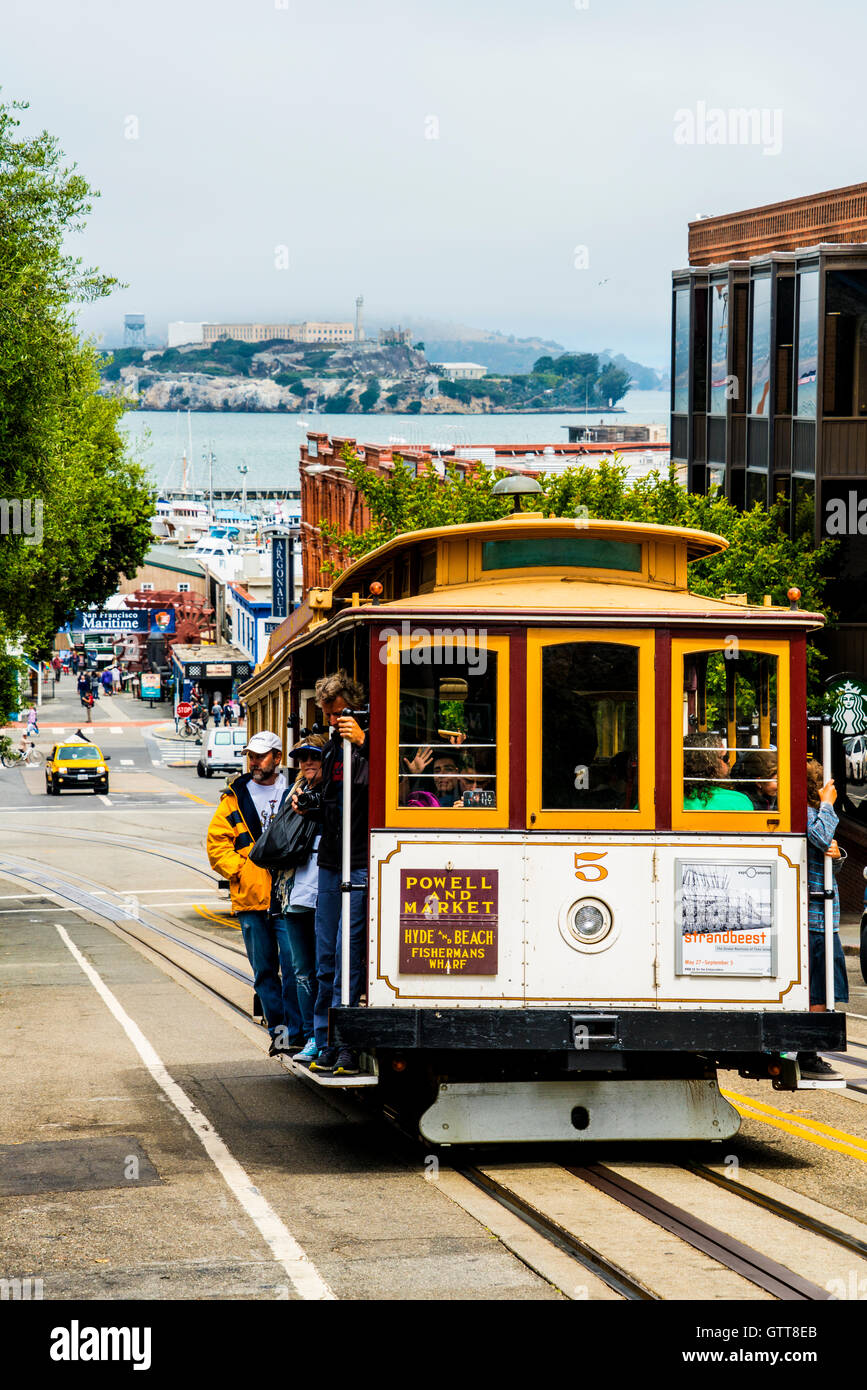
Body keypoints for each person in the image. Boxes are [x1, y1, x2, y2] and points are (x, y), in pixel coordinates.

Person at [206, 730, 304, 1057]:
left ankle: (297, 1034)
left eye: (261, 756)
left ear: (277, 758)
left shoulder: (295, 789)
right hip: (251, 898)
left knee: (293, 968)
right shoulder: (234, 796)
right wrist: (241, 871)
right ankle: (281, 1036)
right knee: (264, 971)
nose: (255, 761)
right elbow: (216, 844)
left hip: (289, 895)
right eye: (251, 755)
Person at [292, 671, 369, 1076]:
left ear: (354, 707)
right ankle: (322, 1039)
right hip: (330, 862)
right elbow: (335, 802)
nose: (334, 722)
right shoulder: (333, 751)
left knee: (347, 955)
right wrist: (310, 804)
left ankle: (345, 1044)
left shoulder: (371, 740)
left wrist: (365, 742)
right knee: (325, 957)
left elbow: (395, 783)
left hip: (358, 860)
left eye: (339, 714)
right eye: (328, 716)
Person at [273, 735, 330, 1064]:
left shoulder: (334, 795)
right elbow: (280, 840)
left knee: (325, 970)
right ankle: (310, 1034)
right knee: (302, 971)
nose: (308, 763)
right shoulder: (291, 797)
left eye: (315, 757)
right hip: (296, 894)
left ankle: (325, 1037)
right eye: (303, 758)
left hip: (327, 893)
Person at [800, 760, 847, 1081]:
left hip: (826, 916)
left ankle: (810, 1048)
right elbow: (818, 837)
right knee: (816, 990)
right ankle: (807, 1051)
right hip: (813, 917)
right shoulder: (805, 813)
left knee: (823, 989)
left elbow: (826, 852)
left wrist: (838, 854)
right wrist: (828, 806)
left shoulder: (817, 814)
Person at [683, 733, 753, 810]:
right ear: (709, 764)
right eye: (725, 758)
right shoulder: (739, 802)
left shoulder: (674, 799)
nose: (729, 761)